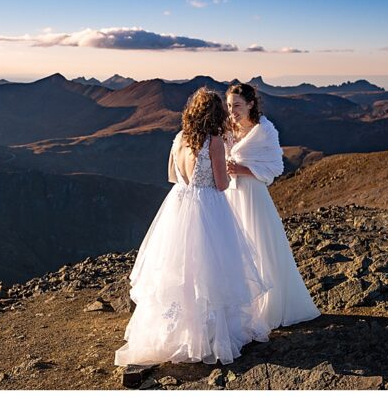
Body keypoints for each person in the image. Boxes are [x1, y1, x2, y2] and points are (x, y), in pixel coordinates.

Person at [115, 87, 271, 367]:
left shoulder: (179, 139)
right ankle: (209, 335)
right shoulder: (214, 142)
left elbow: (173, 176)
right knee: (210, 270)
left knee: (179, 268)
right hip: (208, 206)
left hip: (178, 204)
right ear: (215, 114)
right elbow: (221, 184)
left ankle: (178, 332)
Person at [224, 82, 321, 333]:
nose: (232, 111)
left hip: (253, 196)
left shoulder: (265, 131)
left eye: (237, 105)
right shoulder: (227, 129)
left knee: (260, 246)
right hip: (230, 196)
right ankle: (242, 308)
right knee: (234, 249)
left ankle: (268, 307)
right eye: (229, 106)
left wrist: (242, 169)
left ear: (250, 104)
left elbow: (276, 167)